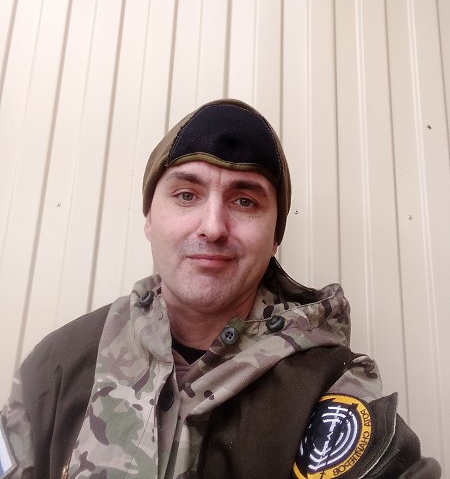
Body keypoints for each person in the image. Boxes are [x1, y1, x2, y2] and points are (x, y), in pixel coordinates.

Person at [1, 99, 441, 479]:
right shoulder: (58, 365)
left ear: (275, 239)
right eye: (186, 195)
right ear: (149, 219)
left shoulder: (328, 385)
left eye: (244, 200)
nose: (212, 227)